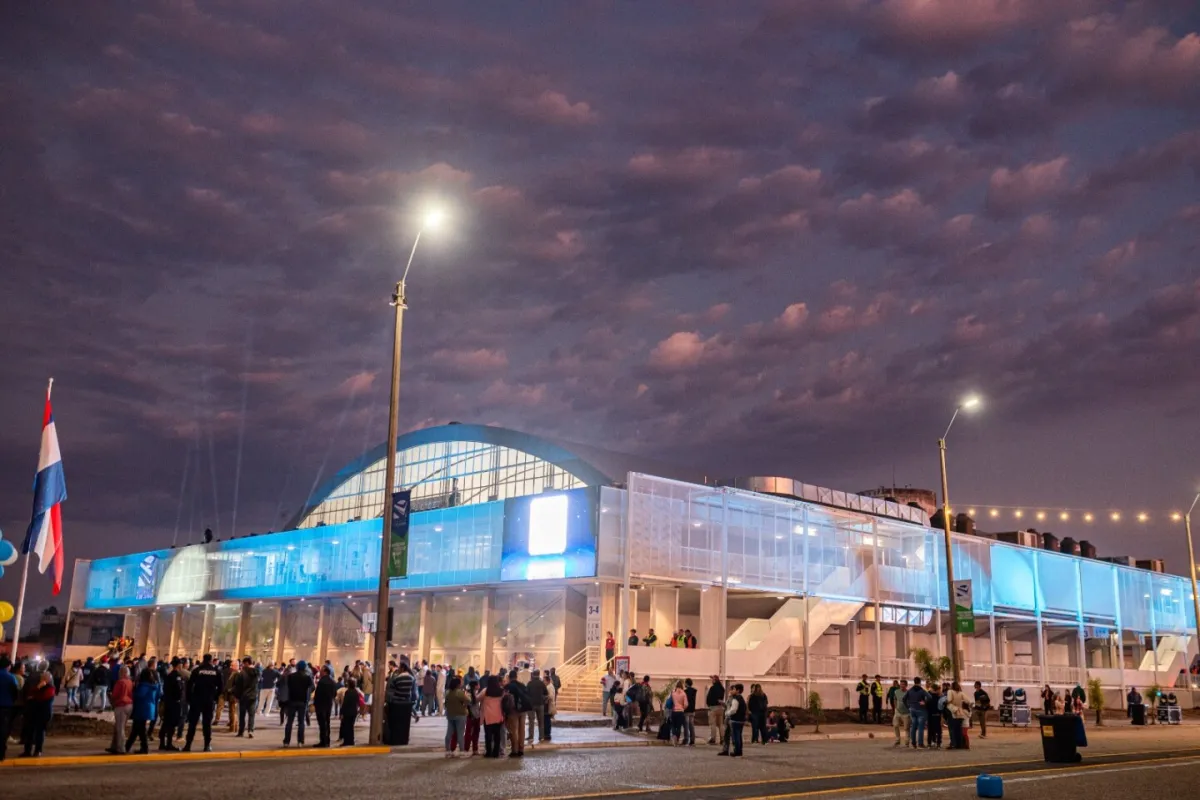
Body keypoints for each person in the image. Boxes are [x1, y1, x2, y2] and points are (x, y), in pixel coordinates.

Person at [184, 654, 223, 752]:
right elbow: (221, 687)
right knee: (207, 724)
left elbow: (189, 685)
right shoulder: (216, 672)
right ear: (210, 661)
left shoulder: (196, 670)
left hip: (196, 699)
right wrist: (214, 697)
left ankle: (188, 745)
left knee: (192, 723)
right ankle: (207, 745)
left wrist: (190, 698)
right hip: (209, 701)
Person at [19, 669, 55, 758]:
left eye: (44, 678)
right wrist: (37, 688)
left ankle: (38, 751)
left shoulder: (50, 688)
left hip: (43, 714)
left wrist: (34, 696)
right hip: (33, 713)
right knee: (30, 733)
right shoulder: (37, 687)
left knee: (39, 733)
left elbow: (42, 698)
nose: (42, 679)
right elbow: (30, 695)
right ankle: (27, 751)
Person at [125, 670, 160, 754]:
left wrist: (133, 690)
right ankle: (129, 747)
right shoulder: (154, 685)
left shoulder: (144, 685)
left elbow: (138, 695)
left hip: (142, 708)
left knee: (139, 729)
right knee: (138, 729)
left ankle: (142, 748)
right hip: (149, 708)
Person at [283, 661, 314, 746]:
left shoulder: (291, 677)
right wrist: (307, 692)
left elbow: (288, 686)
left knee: (289, 722)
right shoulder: (307, 677)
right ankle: (300, 741)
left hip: (292, 700)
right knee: (301, 722)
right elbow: (313, 687)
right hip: (303, 701)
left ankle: (286, 741)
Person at [384, 663, 415, 745]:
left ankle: (394, 739)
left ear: (402, 668)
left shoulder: (397, 678)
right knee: (404, 725)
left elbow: (392, 689)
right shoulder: (411, 678)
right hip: (406, 702)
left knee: (395, 723)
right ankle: (404, 739)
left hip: (396, 703)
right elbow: (412, 691)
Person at [159, 658, 185, 751]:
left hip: (168, 701)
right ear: (178, 665)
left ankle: (162, 743)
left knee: (166, 723)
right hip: (174, 703)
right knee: (171, 725)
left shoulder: (168, 675)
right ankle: (169, 744)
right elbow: (178, 690)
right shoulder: (177, 676)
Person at [232, 657, 259, 738]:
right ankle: (250, 730)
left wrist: (236, 696)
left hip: (244, 696)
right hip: (253, 696)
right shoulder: (256, 672)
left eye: (243, 663)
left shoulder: (242, 673)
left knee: (242, 715)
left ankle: (241, 732)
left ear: (246, 663)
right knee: (251, 715)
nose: (242, 665)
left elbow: (238, 686)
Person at [0, 658, 20, 762]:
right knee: (2, 731)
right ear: (8, 666)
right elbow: (15, 693)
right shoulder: (11, 678)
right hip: (5, 707)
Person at [444, 675, 468, 757]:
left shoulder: (447, 692)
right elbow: (468, 700)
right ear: (458, 685)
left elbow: (446, 704)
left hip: (450, 714)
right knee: (460, 734)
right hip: (460, 715)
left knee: (449, 734)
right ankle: (461, 751)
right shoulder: (459, 692)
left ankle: (448, 751)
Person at [314, 665, 337, 748]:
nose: (320, 672)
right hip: (328, 705)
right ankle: (327, 741)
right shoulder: (333, 682)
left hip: (320, 705)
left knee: (322, 724)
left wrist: (315, 704)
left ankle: (323, 741)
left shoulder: (321, 682)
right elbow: (334, 694)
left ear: (325, 672)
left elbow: (317, 695)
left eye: (321, 671)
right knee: (327, 723)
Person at [482, 675, 505, 758]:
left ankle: (488, 752)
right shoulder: (501, 691)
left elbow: (477, 698)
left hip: (488, 717)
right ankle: (496, 753)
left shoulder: (485, 691)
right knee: (497, 735)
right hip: (498, 716)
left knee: (488, 735)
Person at [720, 683, 746, 757]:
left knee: (735, 736)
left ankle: (737, 751)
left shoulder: (736, 698)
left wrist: (727, 713)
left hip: (735, 719)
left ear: (737, 690)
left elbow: (733, 709)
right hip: (740, 720)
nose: (731, 691)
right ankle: (738, 751)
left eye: (733, 689)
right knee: (737, 736)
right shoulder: (740, 698)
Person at [504, 674, 526, 757]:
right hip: (523, 710)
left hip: (513, 711)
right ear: (516, 677)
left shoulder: (508, 686)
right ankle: (521, 749)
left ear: (509, 678)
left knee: (514, 730)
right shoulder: (522, 685)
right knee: (522, 730)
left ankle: (514, 750)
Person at [904, 678, 929, 749]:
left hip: (912, 709)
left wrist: (908, 706)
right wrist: (925, 702)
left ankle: (913, 743)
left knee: (913, 726)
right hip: (921, 710)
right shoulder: (921, 690)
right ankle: (920, 743)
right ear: (920, 682)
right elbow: (929, 697)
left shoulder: (910, 690)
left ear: (914, 682)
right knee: (920, 727)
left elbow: (904, 699)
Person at [339, 677, 362, 746]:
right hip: (353, 712)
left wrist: (341, 712)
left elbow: (345, 703)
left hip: (347, 712)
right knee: (351, 727)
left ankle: (346, 741)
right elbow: (358, 702)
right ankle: (351, 741)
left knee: (346, 727)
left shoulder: (348, 692)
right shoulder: (356, 692)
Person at [526, 669, 548, 744]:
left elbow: (526, 693)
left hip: (531, 705)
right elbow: (546, 693)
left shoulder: (530, 683)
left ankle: (531, 736)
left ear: (533, 675)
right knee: (541, 721)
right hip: (540, 704)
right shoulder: (542, 684)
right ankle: (541, 737)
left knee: (531, 721)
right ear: (539, 675)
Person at [946, 681, 970, 750]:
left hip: (952, 711)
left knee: (952, 729)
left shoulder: (950, 691)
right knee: (959, 729)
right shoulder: (961, 693)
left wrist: (946, 702)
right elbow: (968, 701)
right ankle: (959, 744)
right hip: (960, 712)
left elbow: (949, 700)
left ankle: (953, 744)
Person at [706, 675, 726, 746]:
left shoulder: (712, 688)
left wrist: (708, 704)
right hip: (720, 708)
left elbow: (709, 698)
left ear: (715, 680)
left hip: (713, 708)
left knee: (713, 724)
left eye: (712, 679)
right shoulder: (722, 688)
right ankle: (722, 739)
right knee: (721, 724)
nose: (712, 681)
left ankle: (713, 739)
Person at [892, 679, 911, 747]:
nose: (902, 685)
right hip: (898, 711)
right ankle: (897, 740)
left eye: (903, 684)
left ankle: (907, 741)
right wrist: (896, 707)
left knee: (906, 728)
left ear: (906, 685)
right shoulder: (896, 691)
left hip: (906, 712)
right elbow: (895, 699)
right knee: (895, 725)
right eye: (901, 684)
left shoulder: (909, 692)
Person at [464, 680, 481, 756]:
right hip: (472, 716)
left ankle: (472, 749)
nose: (479, 685)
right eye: (478, 684)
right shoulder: (469, 694)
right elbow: (468, 706)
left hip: (475, 716)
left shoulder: (475, 694)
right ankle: (469, 748)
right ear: (475, 686)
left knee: (473, 733)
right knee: (471, 733)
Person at [926, 683, 943, 749]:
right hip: (937, 715)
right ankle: (938, 743)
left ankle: (929, 743)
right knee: (938, 730)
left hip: (930, 715)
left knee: (930, 730)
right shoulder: (939, 698)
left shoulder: (929, 697)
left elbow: (927, 707)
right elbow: (941, 708)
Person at [683, 677, 698, 746]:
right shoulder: (694, 691)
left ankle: (686, 739)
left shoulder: (685, 692)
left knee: (686, 726)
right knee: (691, 725)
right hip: (692, 710)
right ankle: (692, 740)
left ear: (686, 683)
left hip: (686, 710)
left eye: (685, 683)